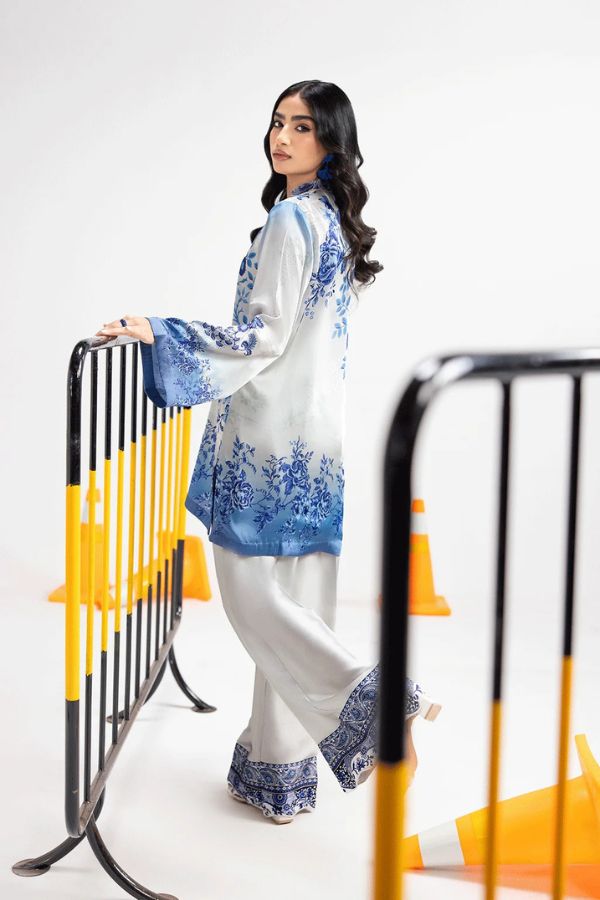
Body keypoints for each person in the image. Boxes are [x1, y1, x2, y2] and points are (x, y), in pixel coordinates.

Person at [97, 80, 441, 825]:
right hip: (318, 443)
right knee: (298, 604)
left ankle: (382, 714)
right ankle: (277, 775)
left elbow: (264, 338)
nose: (282, 138)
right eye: (277, 123)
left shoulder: (291, 219)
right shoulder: (333, 221)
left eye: (303, 126)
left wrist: (163, 331)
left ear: (332, 142)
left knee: (258, 605)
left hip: (266, 445)